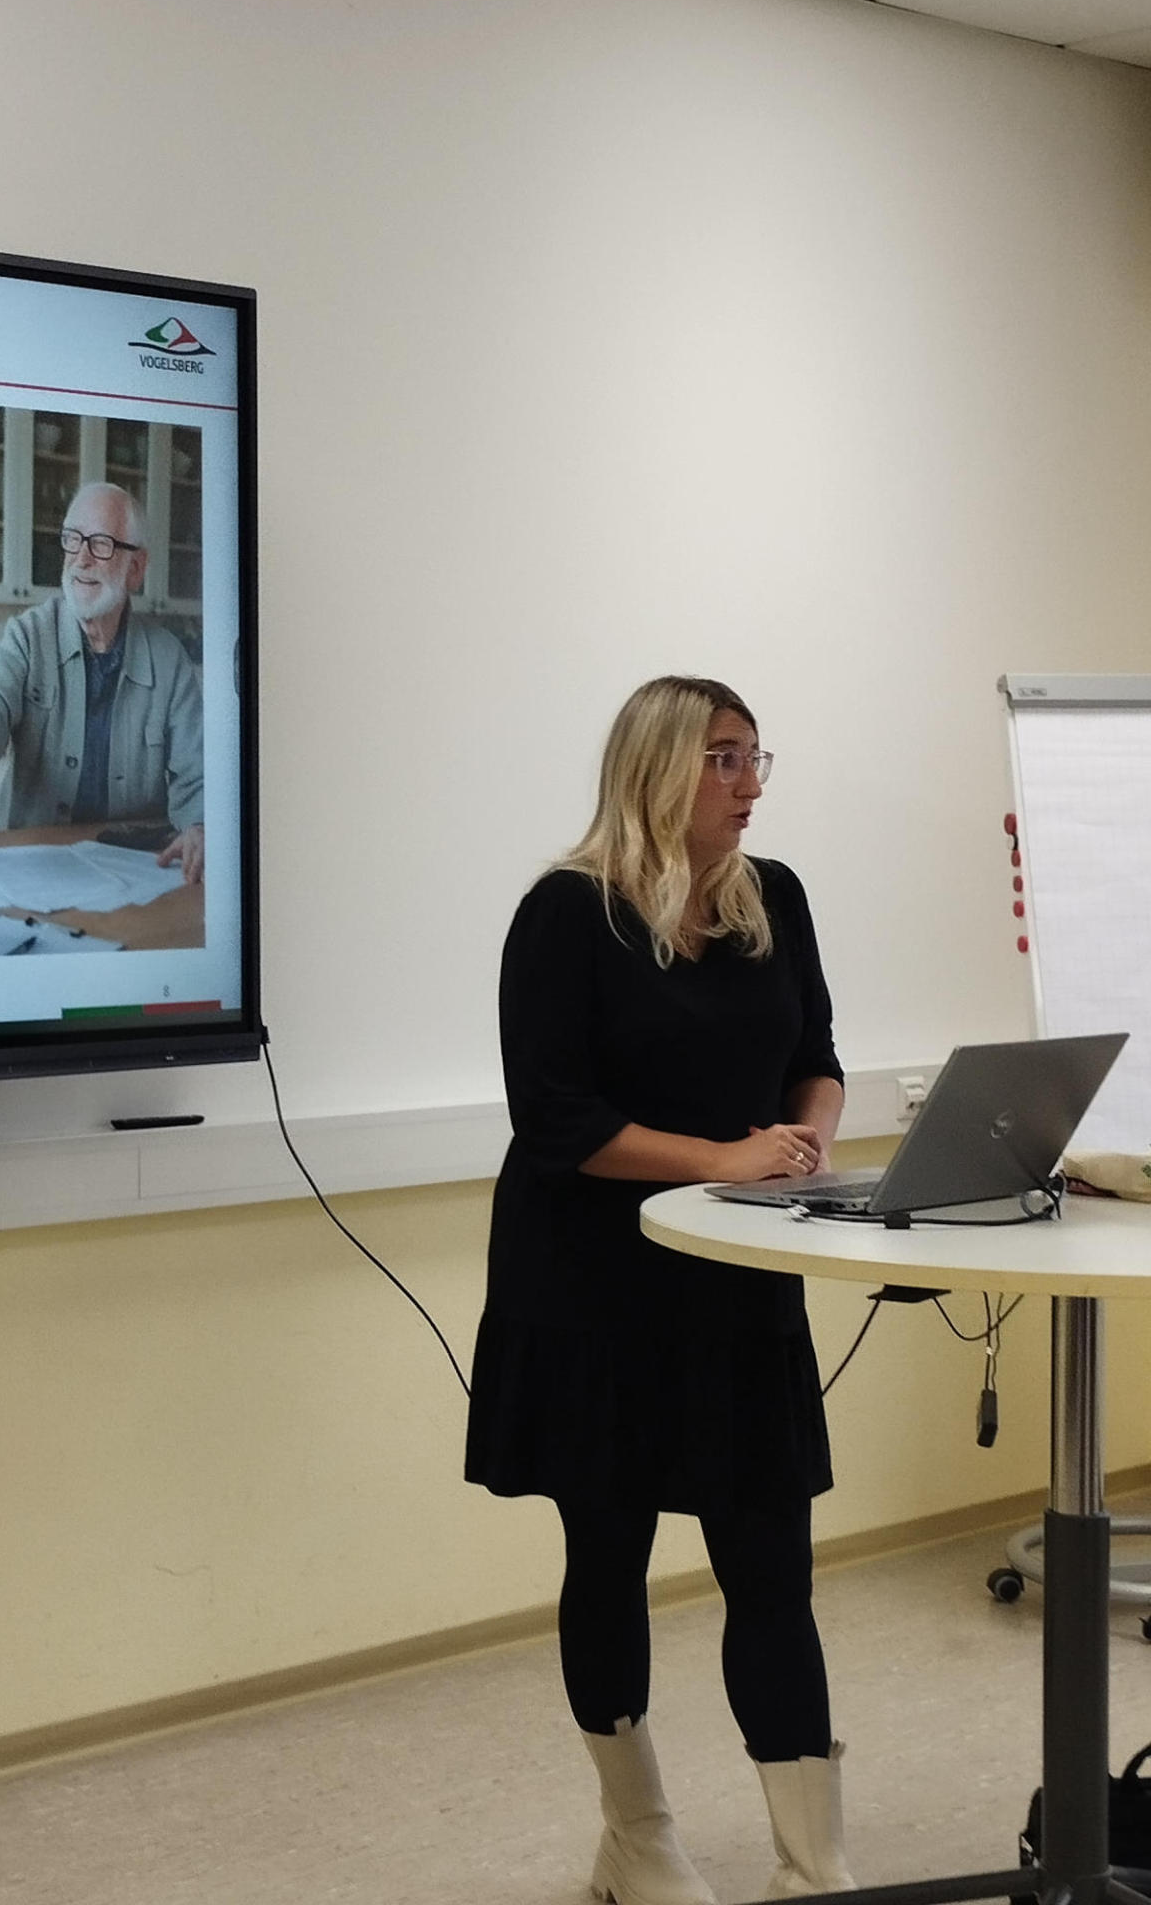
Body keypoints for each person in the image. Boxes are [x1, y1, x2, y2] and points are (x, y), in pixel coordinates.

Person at [465, 675, 854, 1904]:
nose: (750, 783)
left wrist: (807, 1139)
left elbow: (818, 1065)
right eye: (724, 759)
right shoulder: (567, 914)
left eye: (756, 758)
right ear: (659, 769)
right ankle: (637, 1839)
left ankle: (813, 1862)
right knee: (609, 1551)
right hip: (589, 1285)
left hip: (734, 1283)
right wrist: (721, 1160)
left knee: (771, 1563)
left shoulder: (771, 898)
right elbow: (558, 1121)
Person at [0, 482, 205, 883]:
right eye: (73, 540)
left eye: (101, 544)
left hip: (141, 868)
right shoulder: (28, 635)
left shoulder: (170, 660)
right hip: (34, 863)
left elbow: (200, 771)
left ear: (135, 568)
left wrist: (202, 826)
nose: (81, 559)